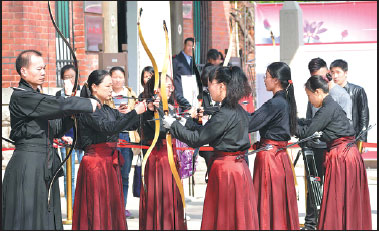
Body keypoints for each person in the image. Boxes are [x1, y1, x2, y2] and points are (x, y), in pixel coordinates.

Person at [2, 50, 98, 230]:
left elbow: (56, 128)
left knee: (45, 214)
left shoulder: (38, 97)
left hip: (45, 162)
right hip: (28, 164)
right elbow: (56, 104)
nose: (43, 73)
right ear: (23, 71)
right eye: (38, 69)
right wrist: (83, 103)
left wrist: (73, 110)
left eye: (44, 68)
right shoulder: (22, 96)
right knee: (28, 215)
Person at [163, 66, 259, 230]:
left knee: (225, 216)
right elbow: (208, 131)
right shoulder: (235, 110)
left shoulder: (225, 113)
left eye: (210, 85)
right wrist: (186, 123)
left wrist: (173, 126)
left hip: (226, 170)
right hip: (237, 168)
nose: (208, 90)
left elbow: (197, 139)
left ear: (222, 86)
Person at [72, 70, 152, 230]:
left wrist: (147, 109)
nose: (111, 88)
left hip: (109, 164)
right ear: (94, 87)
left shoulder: (107, 109)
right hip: (95, 164)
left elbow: (129, 124)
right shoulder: (89, 109)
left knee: (110, 207)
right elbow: (109, 128)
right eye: (107, 85)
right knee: (97, 206)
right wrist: (135, 112)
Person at [296, 75, 371, 230]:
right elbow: (312, 124)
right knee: (346, 199)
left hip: (343, 156)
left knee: (339, 198)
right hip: (348, 154)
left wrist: (288, 123)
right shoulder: (330, 106)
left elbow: (307, 131)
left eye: (309, 95)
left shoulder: (327, 108)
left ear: (317, 92)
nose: (309, 100)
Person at [247, 62, 299, 230]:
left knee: (268, 201)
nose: (264, 80)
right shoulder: (284, 101)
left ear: (276, 80)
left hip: (270, 157)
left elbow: (251, 123)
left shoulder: (275, 103)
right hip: (280, 156)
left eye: (267, 76)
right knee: (278, 201)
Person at [302, 57, 353, 230]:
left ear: (328, 74)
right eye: (314, 77)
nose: (318, 81)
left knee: (334, 188)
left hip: (332, 147)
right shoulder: (314, 93)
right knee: (313, 184)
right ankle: (311, 223)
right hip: (315, 146)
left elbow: (345, 123)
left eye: (321, 76)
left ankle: (333, 221)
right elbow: (311, 120)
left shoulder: (340, 95)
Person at [138, 73, 187, 230]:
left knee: (172, 198)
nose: (171, 89)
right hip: (159, 158)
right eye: (167, 86)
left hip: (170, 157)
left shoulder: (169, 107)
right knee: (159, 198)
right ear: (156, 89)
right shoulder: (149, 109)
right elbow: (159, 131)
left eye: (171, 86)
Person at [108, 66, 138, 218]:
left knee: (125, 174)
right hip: (112, 135)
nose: (118, 80)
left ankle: (122, 206)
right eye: (115, 77)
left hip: (127, 136)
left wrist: (129, 112)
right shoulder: (106, 94)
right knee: (112, 174)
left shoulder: (131, 94)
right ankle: (112, 206)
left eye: (121, 77)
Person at [55, 64, 84, 207]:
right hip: (66, 138)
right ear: (61, 79)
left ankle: (84, 207)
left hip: (82, 138)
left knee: (84, 175)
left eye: (72, 77)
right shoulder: (59, 95)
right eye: (66, 77)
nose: (70, 80)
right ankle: (71, 208)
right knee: (69, 176)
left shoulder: (83, 93)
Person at [330, 59, 369, 142]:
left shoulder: (357, 90)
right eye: (332, 72)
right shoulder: (328, 92)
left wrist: (362, 140)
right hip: (333, 139)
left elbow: (364, 117)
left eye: (338, 72)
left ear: (345, 73)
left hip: (352, 137)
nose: (335, 76)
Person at [172, 37, 198, 112]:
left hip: (190, 95)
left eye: (193, 47)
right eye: (189, 46)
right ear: (184, 46)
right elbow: (172, 77)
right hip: (179, 95)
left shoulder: (192, 60)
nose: (191, 48)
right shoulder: (176, 60)